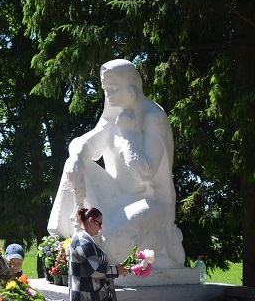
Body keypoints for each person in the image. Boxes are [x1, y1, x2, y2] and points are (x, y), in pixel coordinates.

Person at [48, 59, 185, 268]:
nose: (108, 95)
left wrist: (127, 135)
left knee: (107, 252)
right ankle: (58, 247)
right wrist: (76, 154)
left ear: (131, 87)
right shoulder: (115, 111)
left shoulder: (152, 116)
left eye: (113, 89)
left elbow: (146, 173)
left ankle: (159, 244)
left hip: (153, 204)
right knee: (74, 163)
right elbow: (91, 141)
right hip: (116, 196)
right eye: (105, 90)